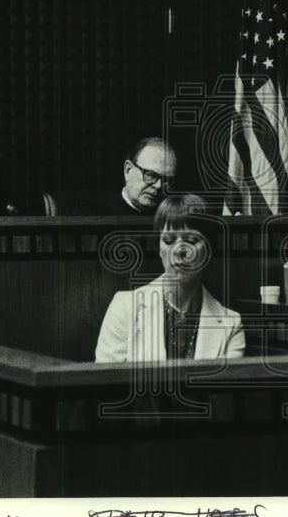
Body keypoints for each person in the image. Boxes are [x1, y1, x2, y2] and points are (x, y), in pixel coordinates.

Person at [95, 193, 245, 362]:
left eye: (190, 240)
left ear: (209, 249)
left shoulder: (230, 324)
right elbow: (107, 385)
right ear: (159, 249)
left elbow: (220, 388)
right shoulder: (125, 307)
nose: (178, 250)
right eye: (168, 240)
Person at [66, 137, 178, 215]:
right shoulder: (91, 213)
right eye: (150, 175)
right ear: (128, 170)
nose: (158, 186)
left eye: (166, 180)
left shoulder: (175, 221)